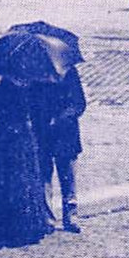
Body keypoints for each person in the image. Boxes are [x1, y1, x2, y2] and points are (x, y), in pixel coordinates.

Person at [0, 74, 50, 248]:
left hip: (1, 138)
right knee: (22, 183)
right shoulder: (29, 88)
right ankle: (23, 230)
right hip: (22, 140)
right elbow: (36, 115)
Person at [34, 65, 87, 233]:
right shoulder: (34, 74)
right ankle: (47, 219)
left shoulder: (68, 72)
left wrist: (61, 117)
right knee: (44, 178)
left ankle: (71, 217)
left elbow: (79, 103)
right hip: (42, 134)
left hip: (65, 135)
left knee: (68, 179)